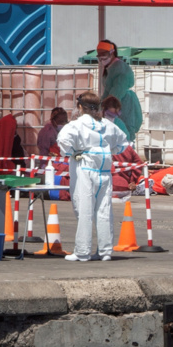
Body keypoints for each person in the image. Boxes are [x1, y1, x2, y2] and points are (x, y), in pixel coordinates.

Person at [57, 91, 129, 262]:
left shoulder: (76, 125)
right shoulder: (108, 125)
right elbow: (123, 143)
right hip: (104, 171)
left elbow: (63, 143)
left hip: (84, 167)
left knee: (84, 210)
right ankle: (105, 252)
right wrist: (109, 151)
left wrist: (74, 153)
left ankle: (82, 252)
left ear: (80, 107)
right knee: (104, 210)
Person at [97, 40, 143, 142]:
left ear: (112, 52)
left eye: (103, 54)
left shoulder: (120, 69)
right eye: (99, 55)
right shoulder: (110, 68)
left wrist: (100, 107)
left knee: (125, 137)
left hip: (124, 107)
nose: (101, 58)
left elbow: (115, 95)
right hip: (116, 107)